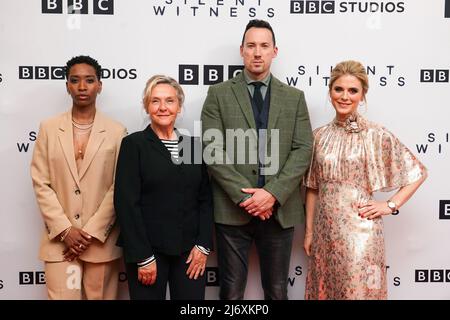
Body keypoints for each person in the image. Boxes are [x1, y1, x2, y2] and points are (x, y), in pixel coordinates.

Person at [201, 19, 313, 300]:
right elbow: (212, 150)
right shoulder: (219, 94)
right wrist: (249, 199)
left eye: (264, 46)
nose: (257, 52)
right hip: (232, 210)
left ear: (275, 51)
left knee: (277, 291)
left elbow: (303, 150)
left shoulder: (294, 97)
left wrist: (272, 194)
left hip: (279, 211)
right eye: (251, 45)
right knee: (231, 292)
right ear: (242, 50)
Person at [303, 60, 427, 300]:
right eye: (339, 89)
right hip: (325, 235)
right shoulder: (319, 136)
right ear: (330, 93)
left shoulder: (375, 134)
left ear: (363, 96)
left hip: (361, 235)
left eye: (353, 91)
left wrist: (389, 205)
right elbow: (313, 188)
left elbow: (418, 172)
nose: (345, 96)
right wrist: (309, 232)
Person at [30, 55, 127, 299]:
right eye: (75, 80)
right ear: (67, 85)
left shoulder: (117, 131)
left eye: (89, 80)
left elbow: (120, 185)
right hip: (59, 244)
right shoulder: (48, 128)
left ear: (100, 85)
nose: (82, 87)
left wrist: (91, 232)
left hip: (100, 243)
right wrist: (65, 230)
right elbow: (41, 182)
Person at [114, 75, 213, 300]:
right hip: (148, 253)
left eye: (169, 101)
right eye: (155, 101)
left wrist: (203, 245)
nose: (163, 108)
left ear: (179, 106)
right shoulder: (134, 145)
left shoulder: (192, 145)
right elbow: (126, 203)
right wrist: (143, 256)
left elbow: (205, 199)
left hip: (190, 253)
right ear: (146, 106)